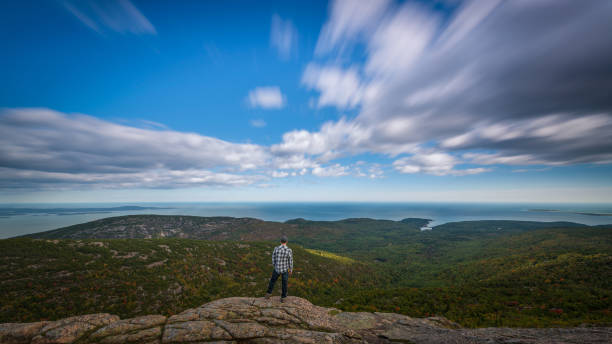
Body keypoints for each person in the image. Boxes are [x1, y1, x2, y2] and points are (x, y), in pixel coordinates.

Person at [265, 235, 293, 302]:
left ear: (280, 241)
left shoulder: (276, 248)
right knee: (284, 283)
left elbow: (273, 258)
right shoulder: (289, 250)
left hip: (277, 269)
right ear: (286, 242)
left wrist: (275, 266)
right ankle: (283, 298)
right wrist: (290, 269)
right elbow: (290, 261)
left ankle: (268, 294)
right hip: (285, 270)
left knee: (272, 281)